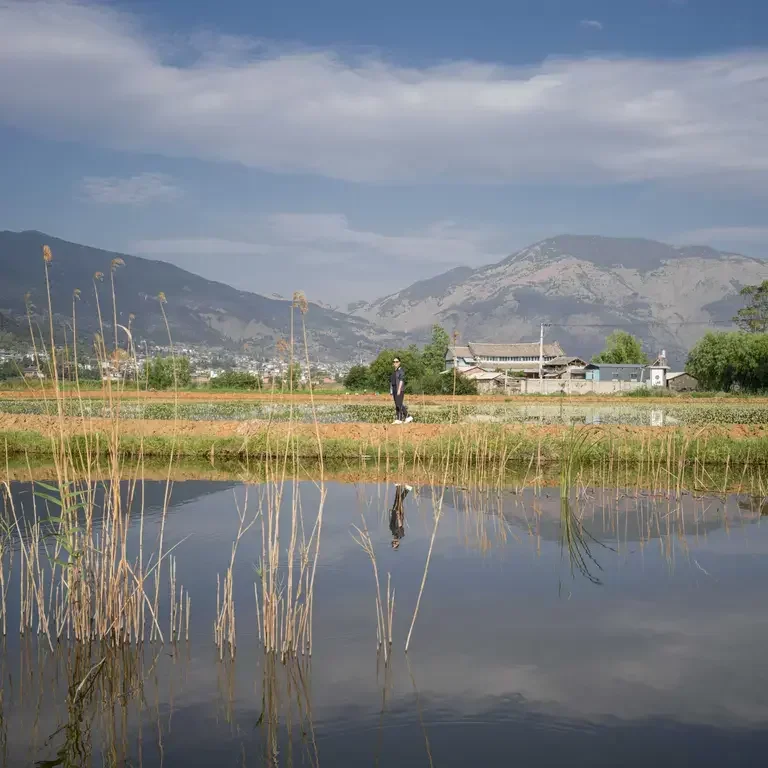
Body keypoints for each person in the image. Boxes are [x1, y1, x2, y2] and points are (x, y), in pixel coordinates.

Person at [390, 357, 413, 424]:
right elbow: (392, 382)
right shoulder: (394, 371)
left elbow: (401, 380)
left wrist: (399, 389)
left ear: (399, 362)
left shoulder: (401, 370)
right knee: (397, 404)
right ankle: (399, 419)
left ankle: (408, 416)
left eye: (397, 361)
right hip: (394, 389)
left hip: (399, 389)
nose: (395, 363)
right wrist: (391, 390)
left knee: (399, 404)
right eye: (394, 362)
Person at [389, 483, 412, 549]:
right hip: (398, 514)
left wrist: (392, 513)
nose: (394, 542)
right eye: (395, 543)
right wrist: (398, 515)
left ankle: (399, 487)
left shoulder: (394, 533)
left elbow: (392, 522)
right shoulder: (400, 534)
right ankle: (407, 489)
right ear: (398, 543)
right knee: (399, 501)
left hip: (394, 513)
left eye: (393, 543)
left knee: (397, 500)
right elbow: (400, 525)